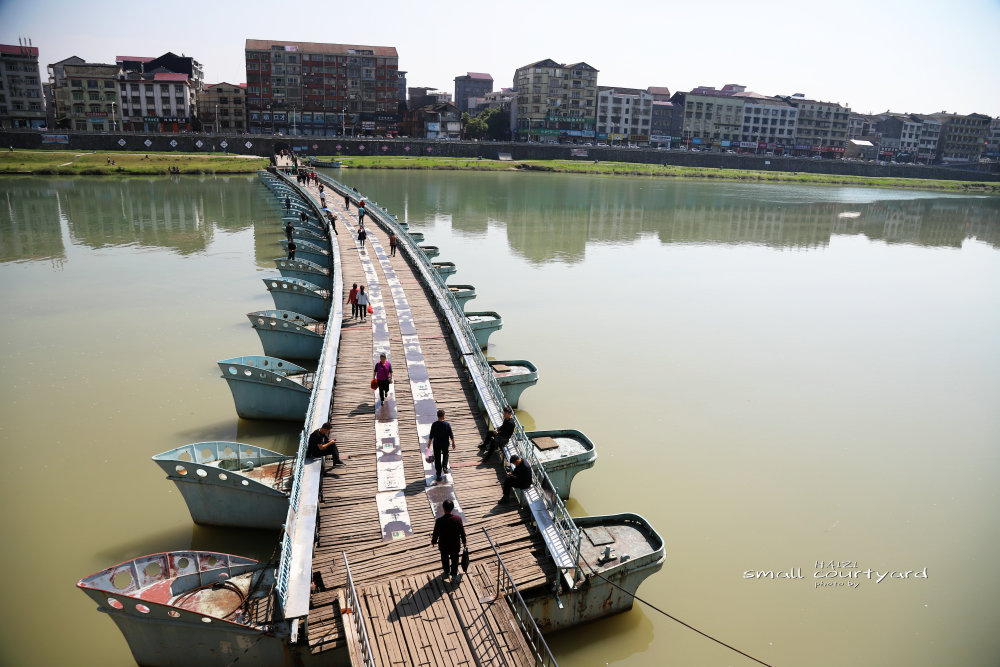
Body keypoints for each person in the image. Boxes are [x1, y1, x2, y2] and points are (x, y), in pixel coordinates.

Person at [431, 499, 466, 581]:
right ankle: (454, 574)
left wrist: (434, 541)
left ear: (443, 508)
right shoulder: (458, 519)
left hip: (444, 545)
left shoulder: (439, 521)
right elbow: (462, 532)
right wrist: (464, 541)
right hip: (455, 544)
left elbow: (436, 532)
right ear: (452, 508)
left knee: (444, 559)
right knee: (455, 559)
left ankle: (446, 572)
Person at [428, 409, 455, 482]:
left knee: (437, 458)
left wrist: (429, 444)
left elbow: (431, 435)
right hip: (445, 444)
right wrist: (453, 442)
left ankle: (439, 473)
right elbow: (451, 435)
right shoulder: (447, 424)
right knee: (446, 454)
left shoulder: (434, 424)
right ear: (443, 416)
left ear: (437, 416)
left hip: (436, 444)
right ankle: (445, 467)